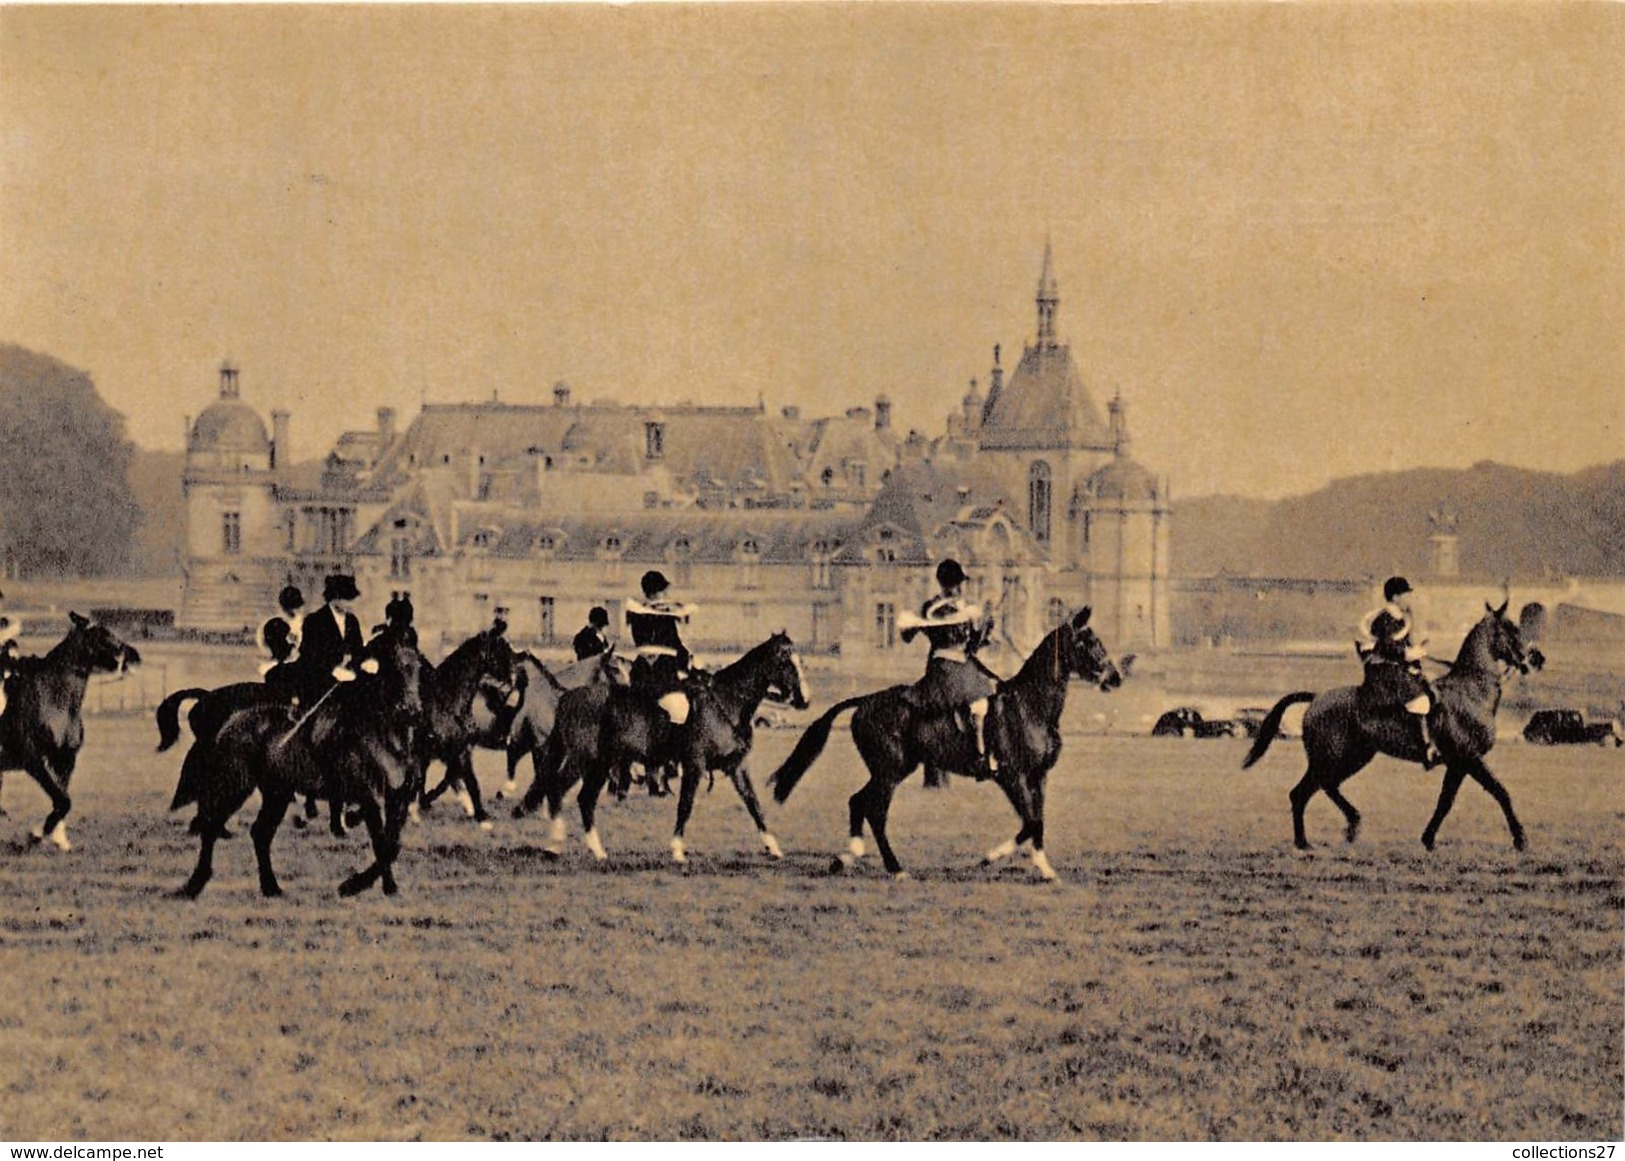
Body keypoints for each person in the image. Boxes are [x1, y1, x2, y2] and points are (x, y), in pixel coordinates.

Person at [901, 559, 997, 775]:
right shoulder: (936, 608)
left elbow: (971, 645)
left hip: (959, 664)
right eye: (958, 584)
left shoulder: (950, 608)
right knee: (978, 705)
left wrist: (984, 632)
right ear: (952, 584)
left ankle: (979, 752)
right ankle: (979, 756)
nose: (960, 588)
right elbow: (953, 638)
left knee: (987, 700)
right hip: (945, 666)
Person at [1359, 575, 1441, 769]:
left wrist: (1415, 658)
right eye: (1406, 595)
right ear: (1395, 598)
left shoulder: (1402, 618)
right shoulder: (1383, 619)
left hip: (1397, 668)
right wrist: (1409, 654)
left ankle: (1432, 741)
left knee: (1432, 689)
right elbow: (1387, 647)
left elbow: (1402, 646)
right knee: (1419, 701)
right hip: (1384, 671)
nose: (1408, 599)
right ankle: (1422, 748)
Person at [625, 571, 695, 725]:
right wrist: (687, 659)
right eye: (663, 591)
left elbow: (640, 642)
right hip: (665, 670)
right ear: (657, 593)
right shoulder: (665, 616)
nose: (665, 594)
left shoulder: (637, 614)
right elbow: (675, 643)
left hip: (642, 671)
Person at [257, 584, 304, 700]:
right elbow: (263, 645)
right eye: (288, 607)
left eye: (295, 607)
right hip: (276, 664)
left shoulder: (302, 623)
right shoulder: (272, 623)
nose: (292, 610)